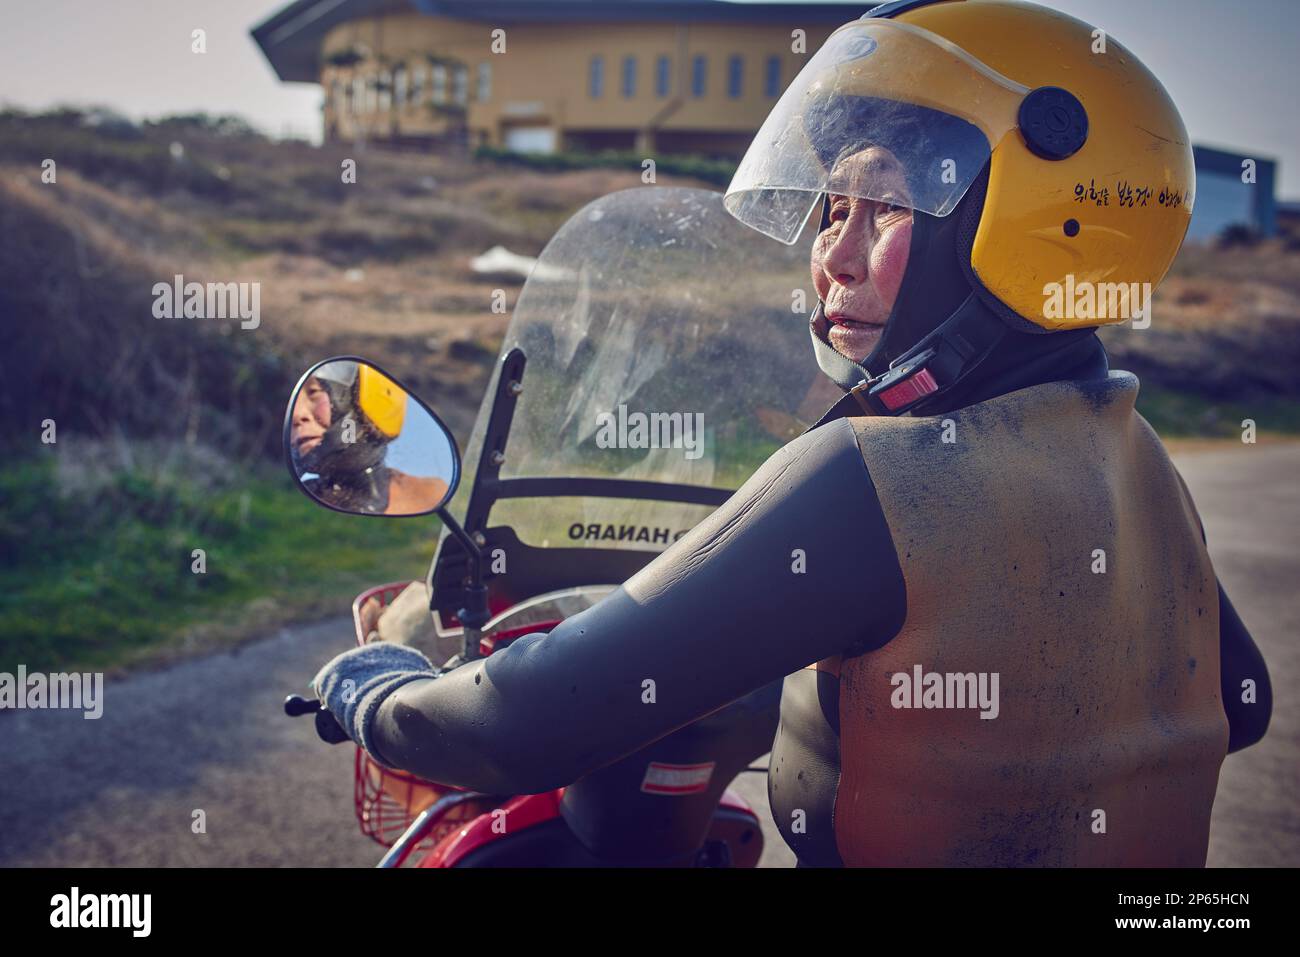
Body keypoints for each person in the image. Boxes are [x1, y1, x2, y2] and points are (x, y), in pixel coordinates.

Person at [310, 0, 1271, 866]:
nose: (833, 257)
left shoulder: (875, 476)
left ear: (1030, 226)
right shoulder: (1134, 454)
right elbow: (1241, 701)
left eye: (888, 206)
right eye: (832, 207)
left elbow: (515, 725)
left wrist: (374, 691)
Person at [289, 362, 448, 516]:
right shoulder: (295, 510)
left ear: (362, 401)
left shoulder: (434, 495)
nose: (296, 414)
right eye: (291, 402)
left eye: (314, 392)